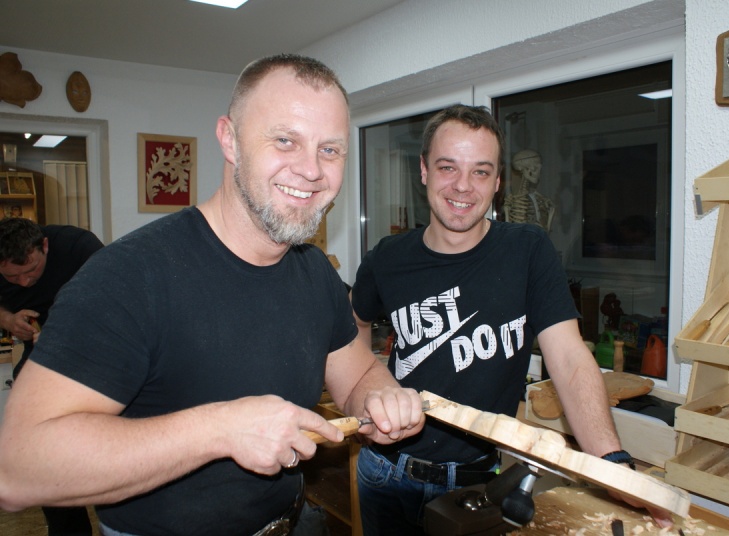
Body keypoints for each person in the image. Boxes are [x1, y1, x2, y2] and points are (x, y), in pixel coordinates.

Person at [0, 54, 425, 536]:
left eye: (330, 149)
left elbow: (358, 376)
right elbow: (18, 468)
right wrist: (221, 429)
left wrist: (381, 398)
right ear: (229, 139)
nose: (311, 170)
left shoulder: (313, 272)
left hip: (293, 522)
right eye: (285, 140)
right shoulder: (128, 275)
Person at [350, 104, 672, 535]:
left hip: (478, 483)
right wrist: (368, 388)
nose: (463, 186)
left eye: (481, 172)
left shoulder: (527, 250)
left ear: (498, 182)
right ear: (424, 170)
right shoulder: (387, 258)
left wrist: (611, 462)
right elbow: (353, 326)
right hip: (388, 475)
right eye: (448, 167)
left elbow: (569, 359)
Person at [0, 217, 103, 536]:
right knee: (43, 449)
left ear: (44, 246)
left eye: (31, 270)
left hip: (94, 347)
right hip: (41, 353)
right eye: (11, 277)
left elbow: (114, 297)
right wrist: (8, 319)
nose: (24, 282)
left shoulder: (78, 247)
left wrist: (66, 330)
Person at [503, 149, 555, 232]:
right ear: (523, 170)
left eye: (539, 169)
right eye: (534, 169)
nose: (538, 174)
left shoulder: (542, 200)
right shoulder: (511, 200)